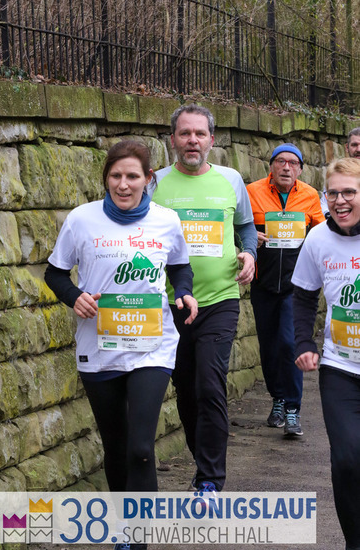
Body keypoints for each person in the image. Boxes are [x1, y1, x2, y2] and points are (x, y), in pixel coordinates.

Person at [45, 140, 197, 550]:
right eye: (116, 176)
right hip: (99, 348)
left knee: (141, 448)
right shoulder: (82, 219)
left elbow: (180, 267)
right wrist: (74, 296)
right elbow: (55, 273)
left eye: (132, 176)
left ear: (148, 178)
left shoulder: (166, 220)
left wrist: (184, 292)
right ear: (106, 178)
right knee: (115, 445)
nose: (123, 184)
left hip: (152, 346)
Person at [150, 104, 257, 494]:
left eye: (199, 134)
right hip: (170, 304)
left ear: (212, 139)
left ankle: (210, 479)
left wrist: (250, 253)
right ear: (173, 140)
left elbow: (246, 227)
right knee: (186, 388)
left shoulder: (231, 180)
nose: (192, 140)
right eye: (185, 133)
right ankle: (203, 463)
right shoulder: (155, 183)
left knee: (210, 386)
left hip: (220, 300)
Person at [292, 157, 360, 550]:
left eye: (349, 192)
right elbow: (303, 297)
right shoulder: (317, 239)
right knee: (347, 460)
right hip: (341, 368)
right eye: (332, 193)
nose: (340, 200)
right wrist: (304, 343)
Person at [246, 143, 324, 437]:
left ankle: (292, 409)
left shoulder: (310, 196)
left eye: (293, 163)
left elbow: (320, 233)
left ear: (300, 169)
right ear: (271, 166)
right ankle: (277, 399)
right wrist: (250, 236)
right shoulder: (252, 192)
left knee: (289, 343)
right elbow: (238, 227)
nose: (286, 167)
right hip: (263, 283)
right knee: (269, 347)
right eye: (281, 161)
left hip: (297, 285)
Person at [321, 126, 360, 217]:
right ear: (347, 147)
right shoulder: (336, 173)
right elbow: (324, 203)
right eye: (354, 145)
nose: (358, 149)